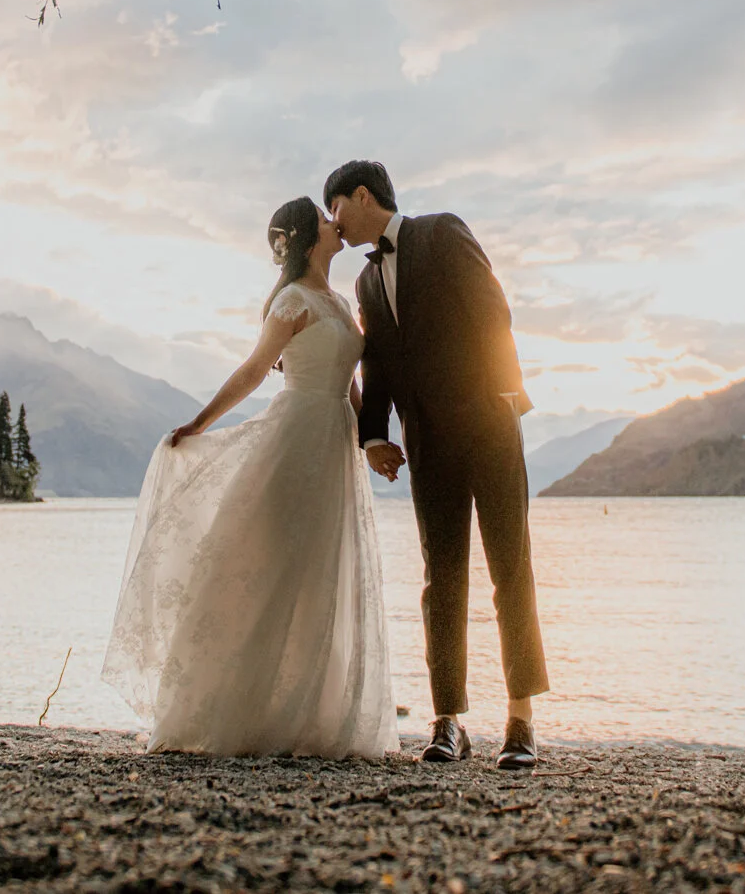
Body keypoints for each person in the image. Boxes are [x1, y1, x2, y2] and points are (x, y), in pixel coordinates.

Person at [102, 196, 396, 758]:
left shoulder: (336, 300)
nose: (338, 224)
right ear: (310, 237)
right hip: (296, 438)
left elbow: (349, 383)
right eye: (325, 217)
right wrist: (199, 421)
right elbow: (255, 370)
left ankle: (311, 714)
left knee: (322, 572)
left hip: (333, 441)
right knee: (274, 567)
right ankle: (230, 709)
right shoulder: (291, 300)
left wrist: (371, 442)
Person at [324, 159, 548, 770]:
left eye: (336, 207)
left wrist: (506, 396)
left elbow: (492, 309)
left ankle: (521, 721)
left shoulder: (443, 231)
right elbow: (379, 368)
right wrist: (374, 437)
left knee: (511, 568)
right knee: (440, 580)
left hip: (489, 429)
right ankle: (448, 720)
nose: (332, 222)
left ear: (362, 196)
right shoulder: (366, 285)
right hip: (426, 446)